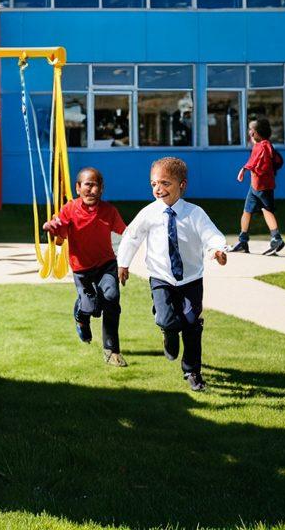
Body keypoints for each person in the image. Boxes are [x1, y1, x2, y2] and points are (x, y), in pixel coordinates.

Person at [117, 157, 228, 393]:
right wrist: (123, 264)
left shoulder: (194, 213)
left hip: (190, 279)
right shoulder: (149, 213)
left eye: (165, 183)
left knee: (191, 324)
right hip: (161, 278)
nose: (158, 189)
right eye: (154, 184)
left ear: (182, 185)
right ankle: (168, 332)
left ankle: (192, 371)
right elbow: (131, 237)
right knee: (167, 319)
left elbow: (211, 234)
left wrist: (217, 249)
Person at [43, 167, 128, 366]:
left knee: (111, 299)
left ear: (102, 188)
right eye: (87, 185)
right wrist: (52, 227)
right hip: (82, 269)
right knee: (91, 308)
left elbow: (127, 234)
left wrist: (125, 261)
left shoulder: (109, 211)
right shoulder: (70, 209)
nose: (91, 190)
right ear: (78, 187)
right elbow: (60, 233)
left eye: (95, 185)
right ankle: (81, 316)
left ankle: (112, 350)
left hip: (106, 264)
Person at [228, 118, 285, 256]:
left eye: (250, 130)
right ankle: (243, 241)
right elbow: (275, 160)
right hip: (255, 185)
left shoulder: (264, 146)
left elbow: (257, 161)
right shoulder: (262, 145)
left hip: (263, 186)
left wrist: (245, 168)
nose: (249, 132)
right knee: (247, 211)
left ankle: (276, 239)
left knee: (266, 210)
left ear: (255, 133)